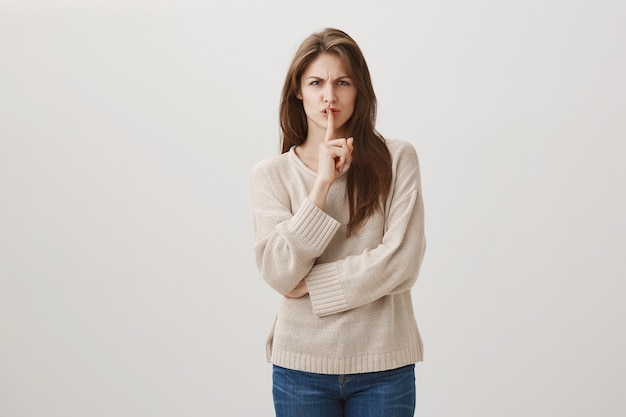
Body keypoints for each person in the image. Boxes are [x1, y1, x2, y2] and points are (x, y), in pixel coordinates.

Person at [249, 27, 426, 417]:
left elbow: (402, 262)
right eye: (316, 82)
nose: (329, 96)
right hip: (301, 369)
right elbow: (279, 272)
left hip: (384, 366)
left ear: (359, 90)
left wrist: (310, 285)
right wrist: (322, 185)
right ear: (298, 90)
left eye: (342, 82)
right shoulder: (272, 174)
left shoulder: (397, 159)